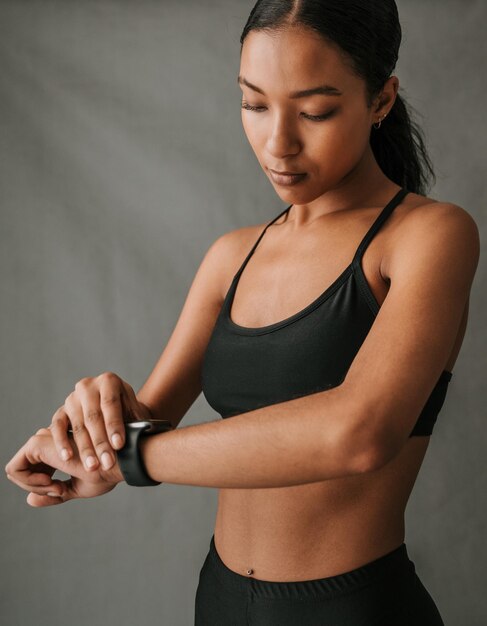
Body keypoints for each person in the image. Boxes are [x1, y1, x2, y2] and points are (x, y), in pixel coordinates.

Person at [5, 1, 480, 624]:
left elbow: (359, 434)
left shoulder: (428, 235)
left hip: (354, 608)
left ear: (382, 99)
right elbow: (148, 422)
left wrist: (133, 459)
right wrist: (96, 427)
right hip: (221, 599)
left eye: (315, 110)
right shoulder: (231, 256)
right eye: (254, 104)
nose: (277, 142)